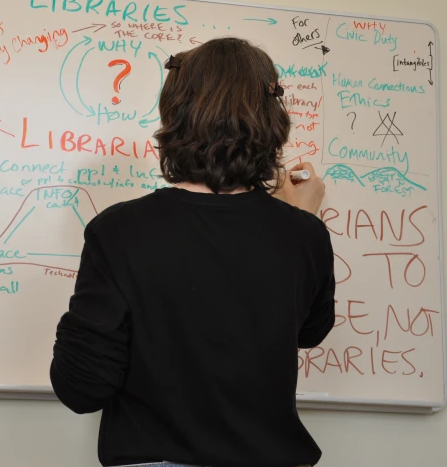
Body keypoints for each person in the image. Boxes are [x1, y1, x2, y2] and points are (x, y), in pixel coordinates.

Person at [50, 37, 335, 467]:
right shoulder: (303, 234)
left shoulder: (119, 231)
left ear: (175, 112)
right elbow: (310, 331)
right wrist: (303, 221)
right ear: (272, 119)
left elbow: (81, 388)